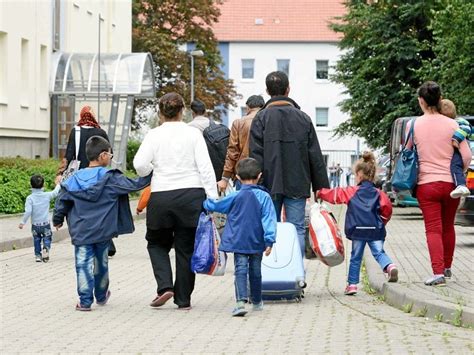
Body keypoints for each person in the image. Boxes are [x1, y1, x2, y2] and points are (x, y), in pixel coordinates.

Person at [133, 92, 218, 310]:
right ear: (183, 112)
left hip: (162, 195)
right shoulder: (193, 135)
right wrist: (212, 198)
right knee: (185, 248)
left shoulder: (153, 135)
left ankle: (164, 286)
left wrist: (154, 170)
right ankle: (183, 299)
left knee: (156, 243)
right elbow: (205, 168)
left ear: (160, 113)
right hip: (191, 195)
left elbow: (139, 164)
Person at [53, 136, 151, 311]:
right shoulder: (111, 178)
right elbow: (135, 184)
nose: (111, 158)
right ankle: (101, 294)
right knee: (101, 263)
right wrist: (154, 172)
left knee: (82, 264)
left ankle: (84, 301)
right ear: (103, 155)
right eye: (111, 155)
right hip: (103, 231)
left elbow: (63, 200)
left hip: (81, 231)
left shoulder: (74, 179)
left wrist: (57, 219)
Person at [249, 71, 329, 256]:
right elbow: (315, 156)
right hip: (298, 182)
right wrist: (321, 187)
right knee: (297, 229)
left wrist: (255, 184)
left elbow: (255, 155)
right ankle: (296, 275)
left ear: (267, 91)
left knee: (270, 228)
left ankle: (272, 273)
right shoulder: (304, 118)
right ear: (288, 89)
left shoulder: (260, 119)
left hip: (269, 184)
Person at [408, 81, 471, 286]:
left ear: (422, 101)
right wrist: (458, 174)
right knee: (448, 227)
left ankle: (437, 273)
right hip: (451, 185)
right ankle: (447, 267)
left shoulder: (413, 125)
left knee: (433, 229)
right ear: (439, 99)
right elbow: (466, 156)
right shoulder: (454, 125)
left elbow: (409, 152)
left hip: (426, 184)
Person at [203, 158, 276, 316]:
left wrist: (206, 203)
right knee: (256, 271)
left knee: (240, 270)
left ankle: (240, 302)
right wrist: (269, 240)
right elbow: (269, 219)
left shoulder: (234, 196)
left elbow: (217, 205)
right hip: (257, 240)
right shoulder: (264, 197)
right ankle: (257, 301)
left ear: (237, 177)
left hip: (238, 240)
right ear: (259, 176)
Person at [317, 151, 398, 295]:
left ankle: (352, 285)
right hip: (375, 229)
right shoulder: (379, 194)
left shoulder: (351, 191)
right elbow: (387, 209)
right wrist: (382, 223)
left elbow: (335, 195)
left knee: (356, 257)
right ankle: (390, 266)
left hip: (357, 230)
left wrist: (320, 193)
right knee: (379, 252)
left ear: (359, 174)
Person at [55, 106, 117, 256]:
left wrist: (60, 173)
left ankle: (82, 239)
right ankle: (106, 242)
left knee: (77, 208)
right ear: (93, 117)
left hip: (79, 177)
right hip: (98, 176)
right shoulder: (101, 132)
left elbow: (68, 155)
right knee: (100, 208)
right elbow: (110, 153)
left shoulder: (75, 131)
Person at [218, 95, 265, 193]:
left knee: (244, 205)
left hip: (243, 173)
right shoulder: (267, 121)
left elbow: (232, 152)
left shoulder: (238, 123)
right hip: (263, 174)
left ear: (248, 107)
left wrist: (225, 177)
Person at [19, 175, 60, 263]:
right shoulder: (47, 195)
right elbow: (56, 192)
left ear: (31, 185)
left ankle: (38, 255)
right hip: (45, 224)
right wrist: (58, 183)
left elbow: (28, 211)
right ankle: (46, 247)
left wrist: (22, 222)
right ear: (43, 184)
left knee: (36, 240)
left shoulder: (30, 198)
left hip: (35, 225)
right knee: (47, 238)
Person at [188, 99, 230, 181]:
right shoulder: (216, 125)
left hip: (195, 170)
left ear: (192, 113)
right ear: (205, 112)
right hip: (214, 168)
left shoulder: (187, 128)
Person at [439, 99, 473, 198]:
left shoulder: (459, 122)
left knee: (455, 166)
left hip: (458, 151)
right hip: (458, 152)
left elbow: (466, 129)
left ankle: (461, 185)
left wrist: (456, 139)